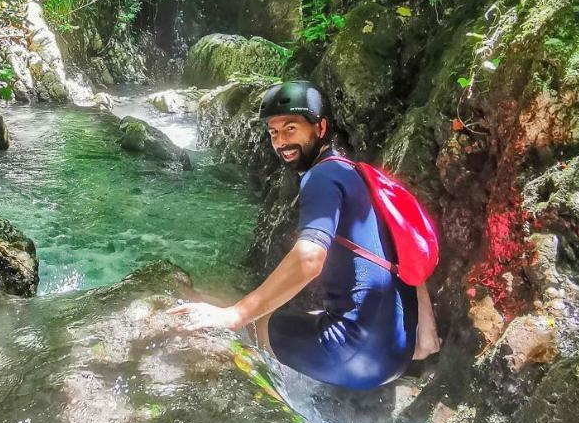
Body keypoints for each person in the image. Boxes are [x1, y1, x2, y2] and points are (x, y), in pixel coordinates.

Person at [169, 80, 441, 390]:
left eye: (291, 129)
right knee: (290, 312)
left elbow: (310, 258)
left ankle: (278, 414)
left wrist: (234, 314)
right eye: (273, 132)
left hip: (357, 357)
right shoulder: (355, 173)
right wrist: (425, 338)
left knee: (258, 323)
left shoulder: (321, 176)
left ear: (320, 127)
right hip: (398, 353)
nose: (281, 142)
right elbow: (406, 256)